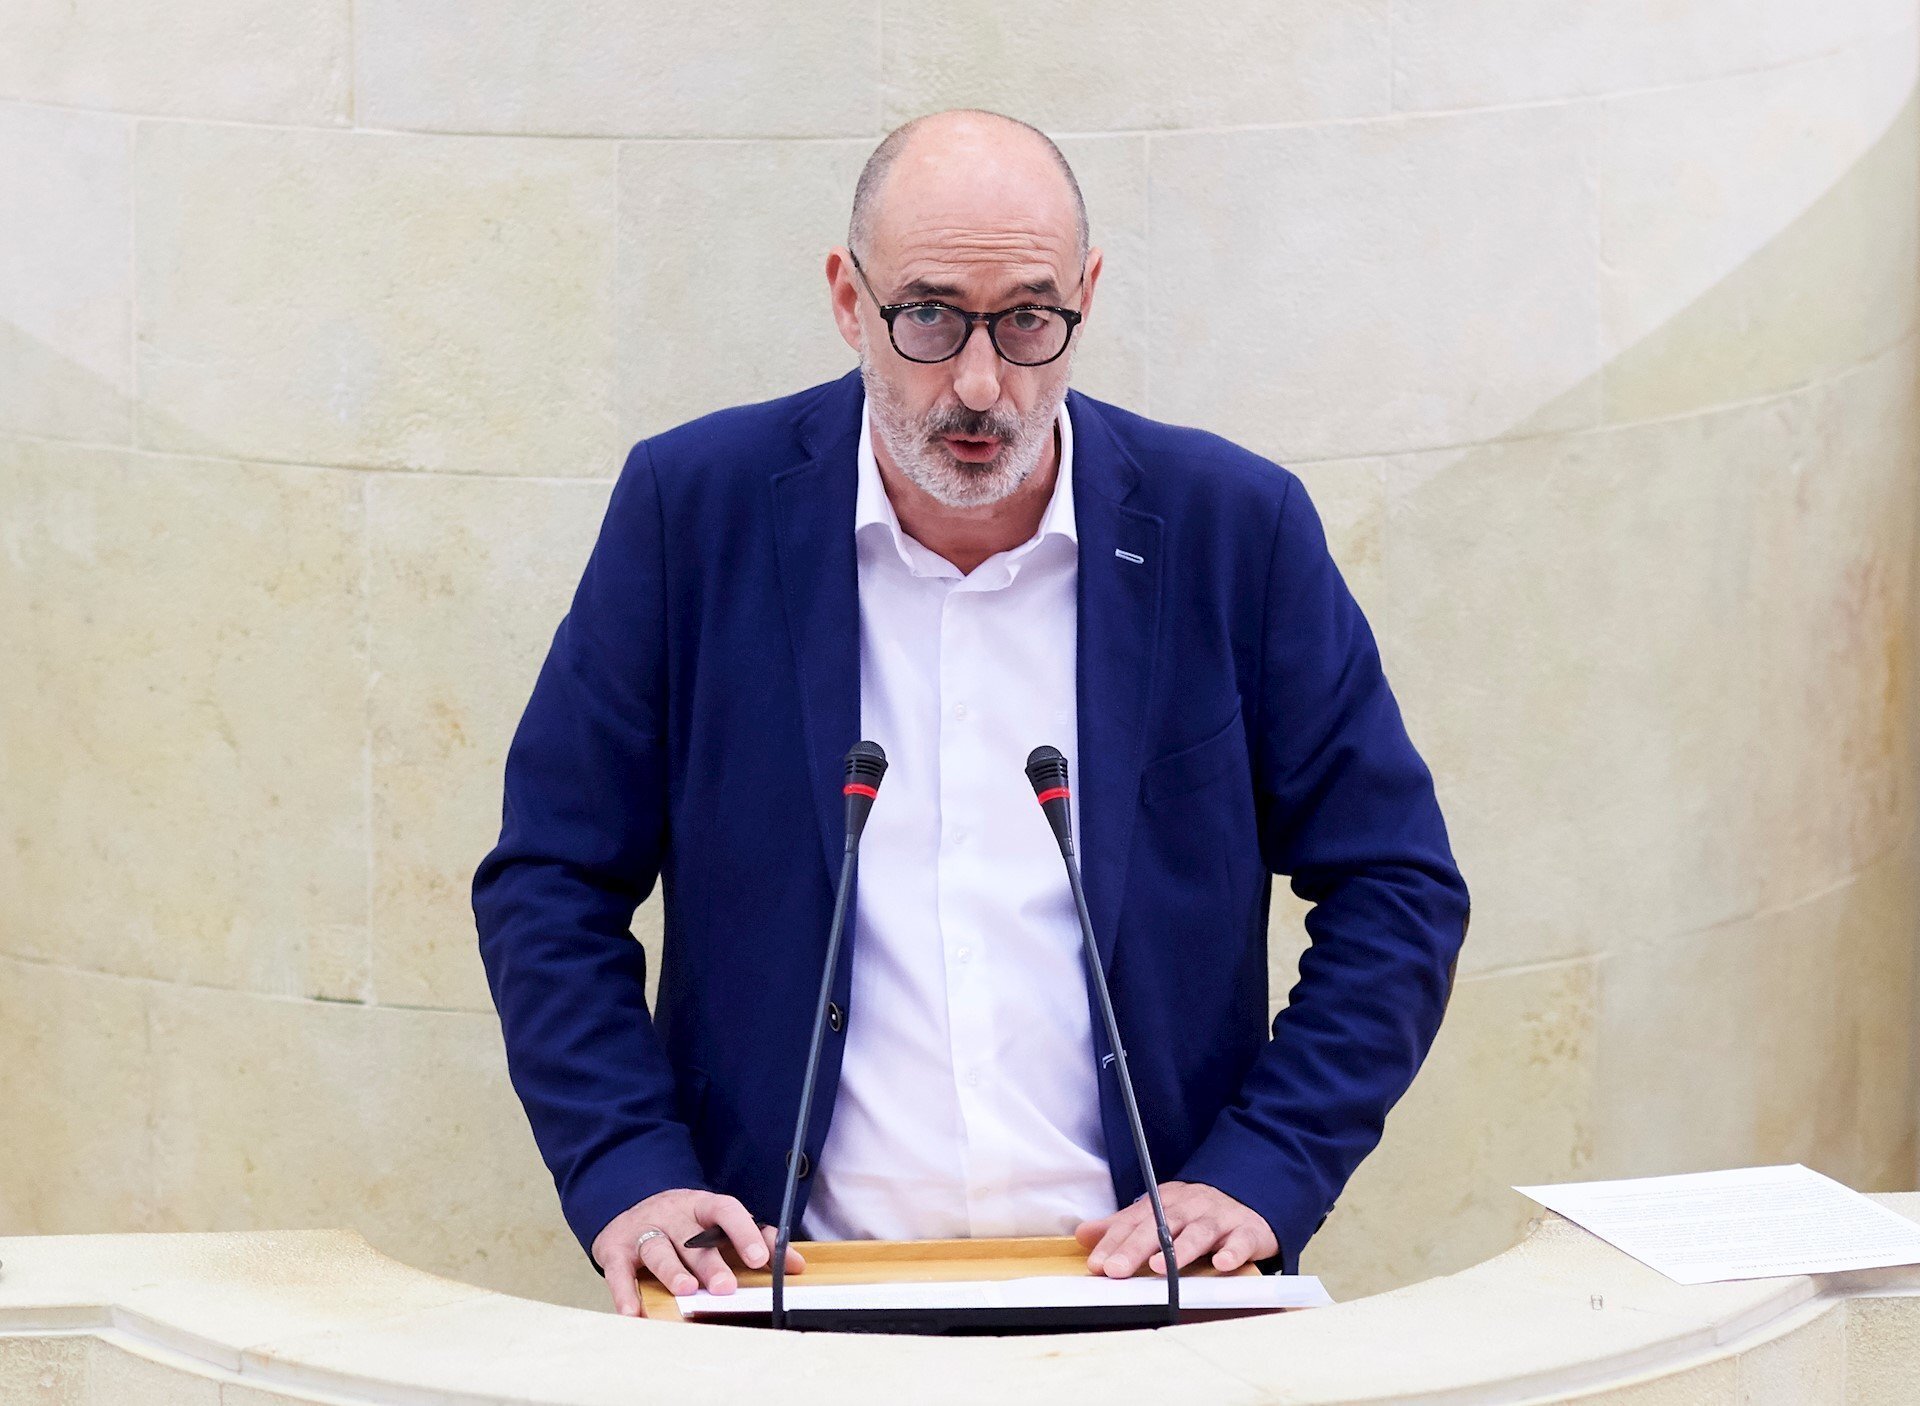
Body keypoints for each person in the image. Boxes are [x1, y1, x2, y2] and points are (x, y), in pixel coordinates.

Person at [473, 108, 1469, 1317]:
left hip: (1138, 1299)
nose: (983, 384)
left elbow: (1396, 884)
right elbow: (552, 877)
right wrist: (629, 1164)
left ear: (1086, 296)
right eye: (932, 317)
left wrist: (1267, 1164)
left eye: (1030, 319)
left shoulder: (1232, 530)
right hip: (790, 1291)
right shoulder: (694, 511)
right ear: (849, 299)